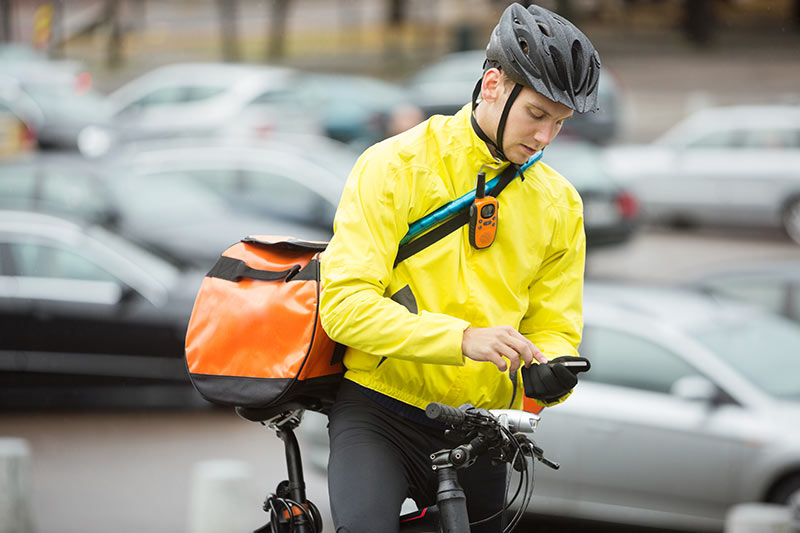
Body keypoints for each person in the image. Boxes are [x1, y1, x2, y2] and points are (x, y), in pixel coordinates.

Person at [318, 3, 600, 532]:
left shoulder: (561, 204)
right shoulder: (394, 165)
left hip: (482, 430)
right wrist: (462, 338)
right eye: (537, 114)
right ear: (493, 85)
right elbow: (345, 308)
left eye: (559, 124)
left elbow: (555, 327)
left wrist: (551, 372)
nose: (544, 138)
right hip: (381, 412)